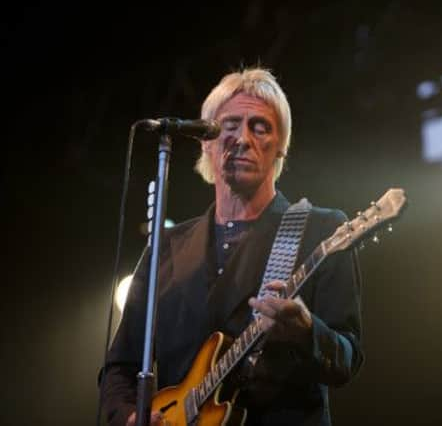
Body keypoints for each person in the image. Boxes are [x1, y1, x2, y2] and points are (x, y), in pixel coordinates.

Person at [99, 67, 363, 426]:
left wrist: (306, 331)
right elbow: (120, 367)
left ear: (280, 148)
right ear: (206, 142)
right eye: (229, 125)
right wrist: (130, 415)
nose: (242, 138)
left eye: (260, 127)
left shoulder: (321, 229)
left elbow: (348, 358)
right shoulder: (166, 249)